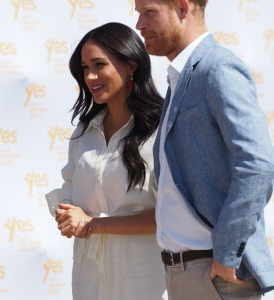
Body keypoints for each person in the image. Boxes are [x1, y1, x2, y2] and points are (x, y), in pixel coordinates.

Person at [134, 0, 274, 299]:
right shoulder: (179, 77)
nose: (139, 25)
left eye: (148, 12)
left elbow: (257, 165)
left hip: (214, 274)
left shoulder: (217, 66)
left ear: (182, 8)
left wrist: (226, 254)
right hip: (183, 273)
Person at [45, 22, 167, 300]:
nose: (90, 76)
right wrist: (64, 212)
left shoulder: (162, 129)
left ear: (131, 66)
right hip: (91, 281)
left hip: (147, 282)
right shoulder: (83, 132)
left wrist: (93, 224)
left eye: (99, 64)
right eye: (85, 68)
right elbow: (70, 189)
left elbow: (172, 216)